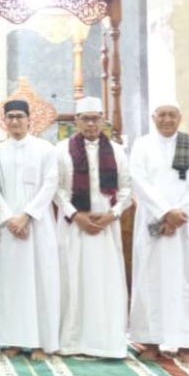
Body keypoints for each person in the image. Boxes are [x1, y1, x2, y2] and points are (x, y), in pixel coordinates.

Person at [129, 100, 189, 363]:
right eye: (161, 115)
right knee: (151, 282)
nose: (166, 120)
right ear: (153, 118)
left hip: (184, 228)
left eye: (171, 115)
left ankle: (186, 345)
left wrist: (179, 214)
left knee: (187, 281)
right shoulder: (142, 145)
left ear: (180, 117)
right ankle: (151, 342)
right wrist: (165, 212)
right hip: (153, 224)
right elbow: (138, 180)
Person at [54, 96, 131, 358]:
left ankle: (105, 342)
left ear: (102, 120)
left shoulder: (117, 151)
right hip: (74, 227)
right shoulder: (62, 150)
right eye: (85, 119)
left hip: (106, 228)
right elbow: (58, 190)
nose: (90, 124)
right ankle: (73, 341)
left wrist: (113, 214)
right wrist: (76, 215)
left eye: (95, 118)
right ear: (76, 121)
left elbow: (127, 190)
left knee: (104, 282)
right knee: (73, 280)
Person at [0, 99, 61, 360]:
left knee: (41, 282)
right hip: (8, 229)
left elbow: (50, 184)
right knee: (11, 284)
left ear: (29, 119)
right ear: (4, 121)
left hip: (38, 226)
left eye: (20, 116)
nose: (15, 121)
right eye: (11, 117)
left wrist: (27, 216)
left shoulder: (45, 149)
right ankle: (12, 340)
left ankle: (42, 342)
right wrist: (10, 218)